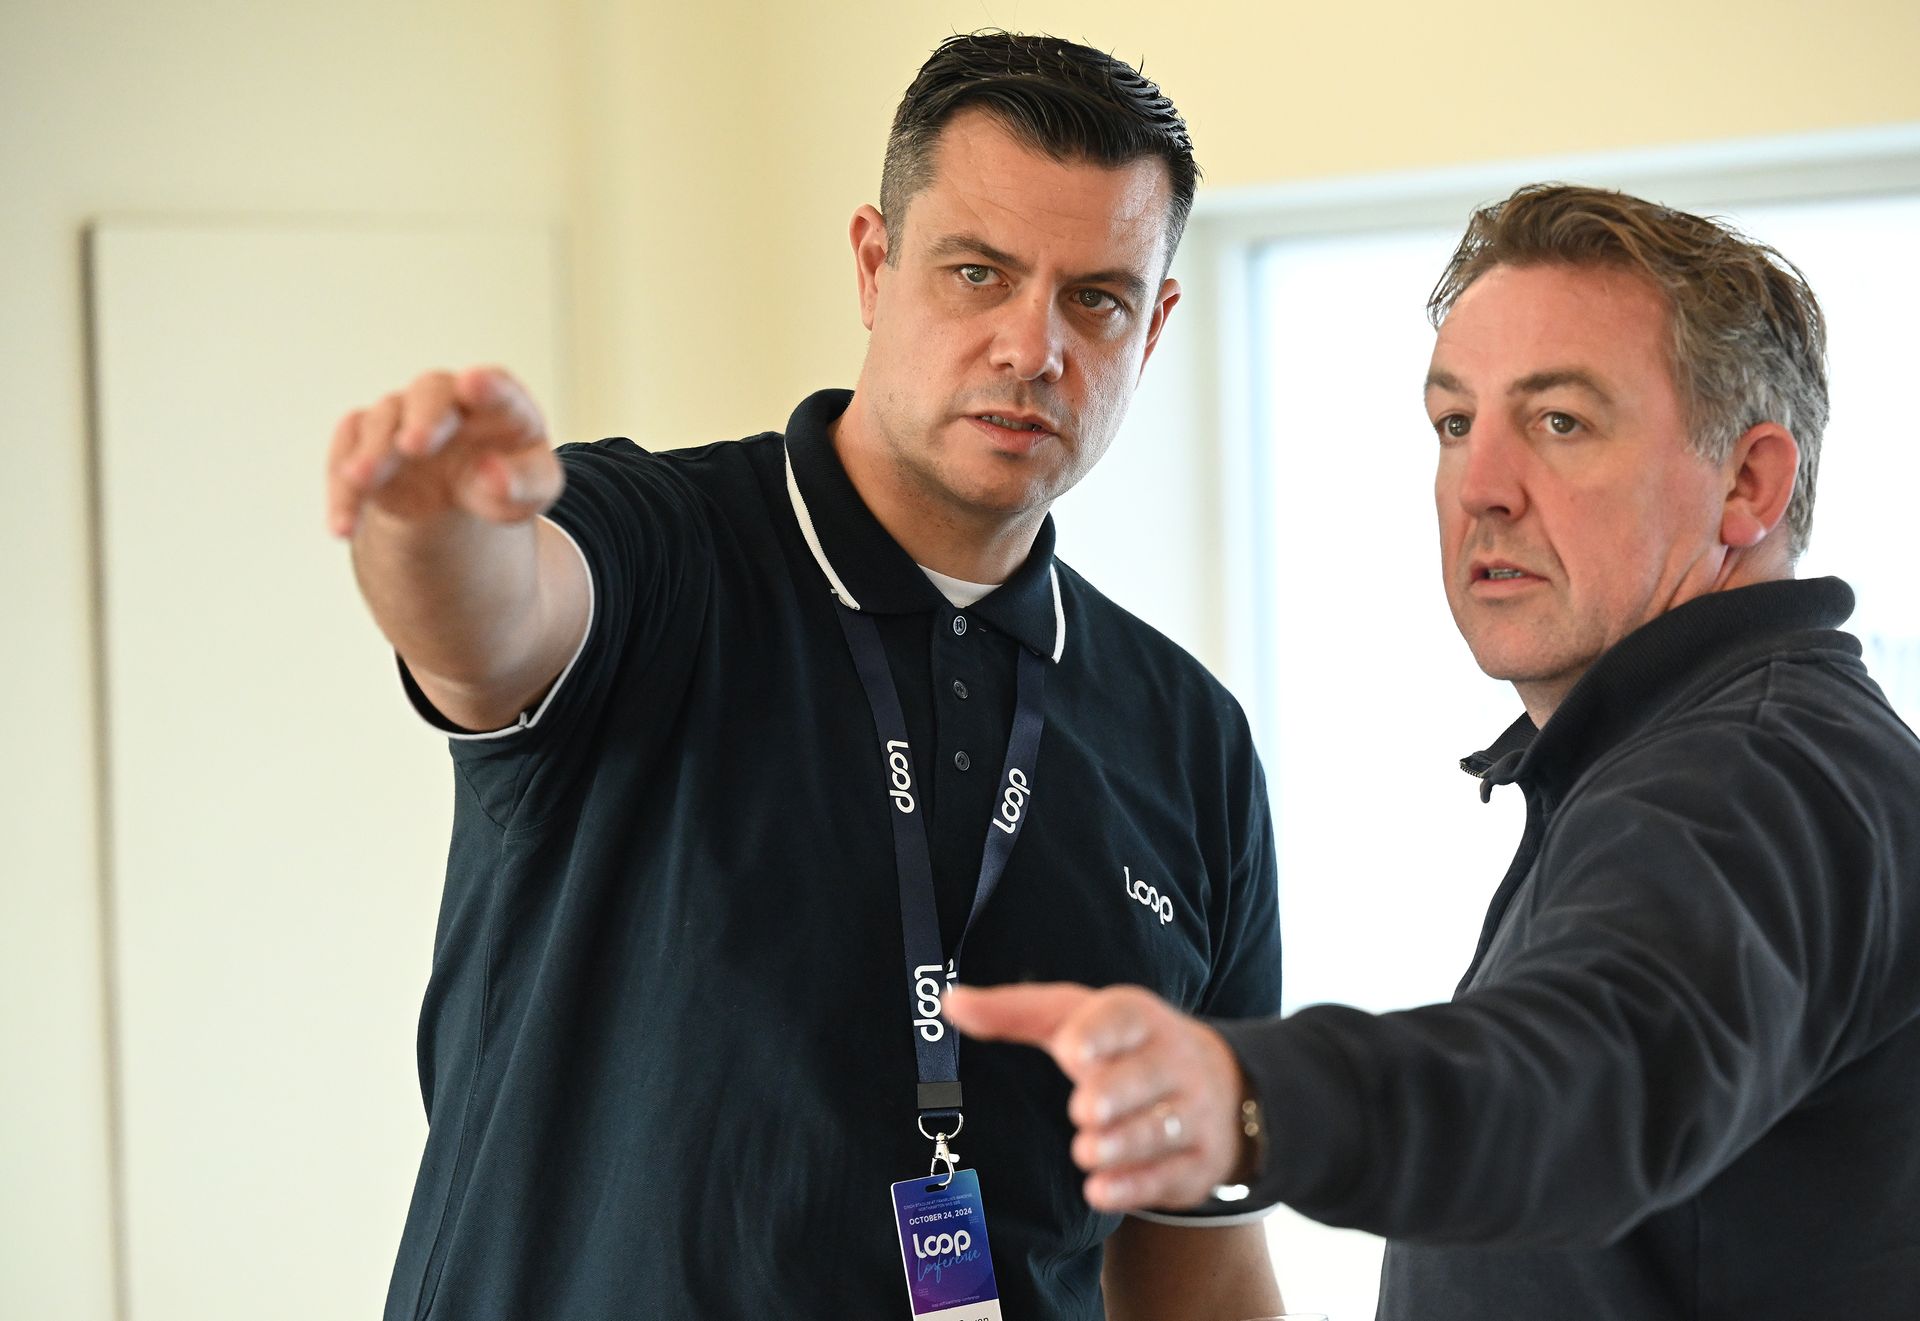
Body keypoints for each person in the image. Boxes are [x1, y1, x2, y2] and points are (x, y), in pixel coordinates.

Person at [325, 31, 1287, 1321]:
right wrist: (428, 522)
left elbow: (1194, 1256)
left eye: (1095, 299)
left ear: (1156, 322)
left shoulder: (1188, 743)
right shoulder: (664, 549)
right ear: (876, 267)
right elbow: (489, 632)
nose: (1031, 346)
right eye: (976, 273)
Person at [946, 183, 1920, 1317]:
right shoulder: (1684, 757)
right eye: (1456, 424)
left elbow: (1585, 1071)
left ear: (1750, 484)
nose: (1481, 490)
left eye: (1561, 422)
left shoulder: (1754, 776)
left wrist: (1250, 1096)